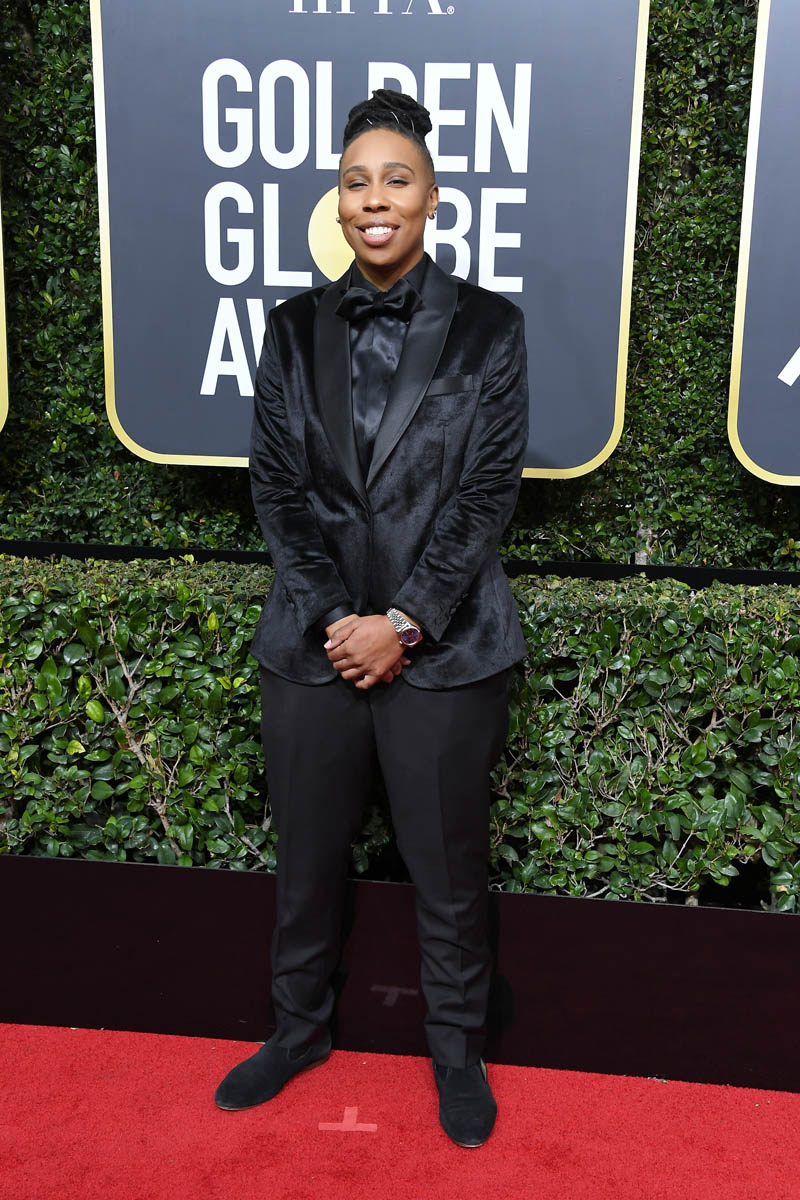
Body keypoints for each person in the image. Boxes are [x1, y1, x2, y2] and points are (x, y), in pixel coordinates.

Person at [214, 89, 529, 1148]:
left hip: (445, 650)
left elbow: (485, 495)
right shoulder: (289, 327)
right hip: (311, 650)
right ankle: (296, 1031)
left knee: (448, 874)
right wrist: (336, 619)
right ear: (338, 204)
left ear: (432, 198)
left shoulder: (491, 327)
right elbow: (276, 490)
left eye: (396, 179)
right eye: (356, 182)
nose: (375, 198)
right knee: (304, 864)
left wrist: (402, 622)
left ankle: (457, 1052)